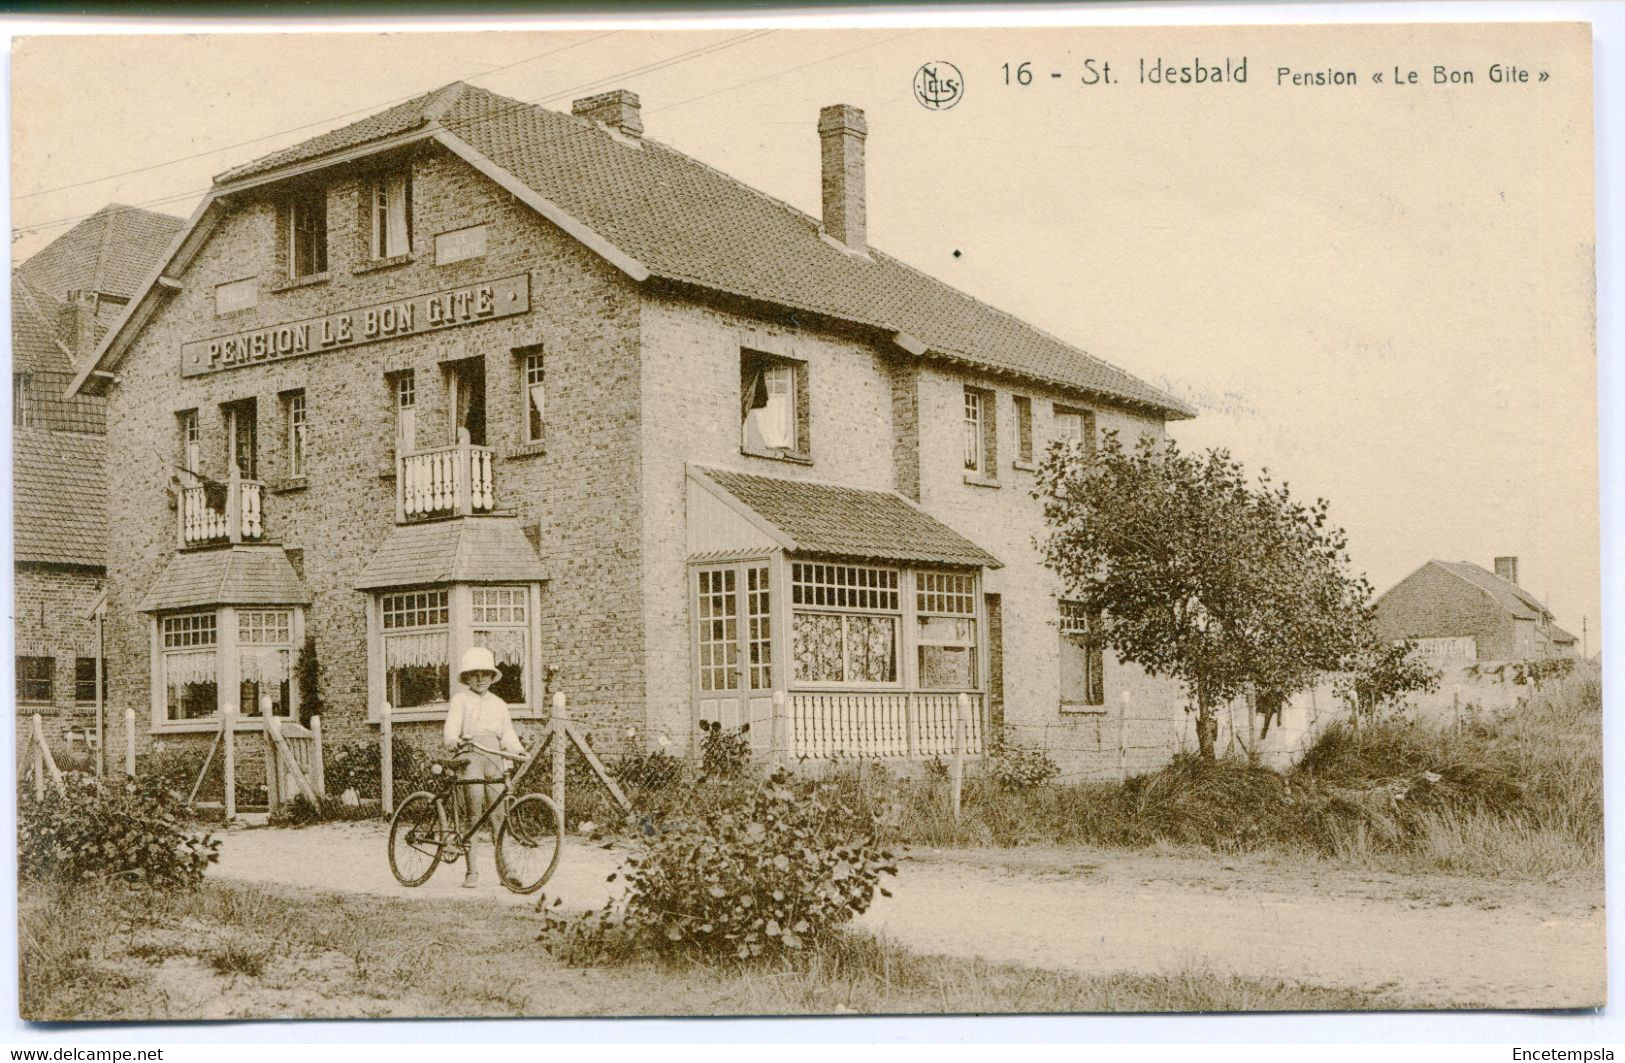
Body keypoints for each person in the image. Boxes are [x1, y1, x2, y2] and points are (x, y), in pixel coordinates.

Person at [443, 646, 525, 887]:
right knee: (474, 814)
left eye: (485, 674)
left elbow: (507, 734)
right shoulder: (460, 700)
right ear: (467, 677)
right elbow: (451, 728)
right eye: (474, 674)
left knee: (499, 814)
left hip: (494, 757)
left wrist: (517, 749)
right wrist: (452, 740)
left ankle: (506, 870)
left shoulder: (499, 704)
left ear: (492, 677)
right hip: (470, 756)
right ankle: (472, 871)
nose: (480, 679)